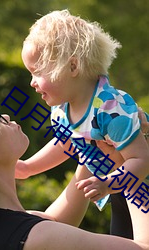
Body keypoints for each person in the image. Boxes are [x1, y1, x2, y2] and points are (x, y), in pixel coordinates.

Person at [0, 98, 149, 250]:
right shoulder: (37, 238)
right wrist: (133, 164)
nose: (5, 116)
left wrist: (94, 142)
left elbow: (56, 221)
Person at [18, 9, 149, 239]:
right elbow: (66, 143)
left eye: (37, 72)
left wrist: (108, 183)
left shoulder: (110, 108)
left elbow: (142, 160)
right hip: (119, 187)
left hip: (140, 185)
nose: (32, 83)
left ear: (72, 67)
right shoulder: (62, 109)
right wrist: (29, 167)